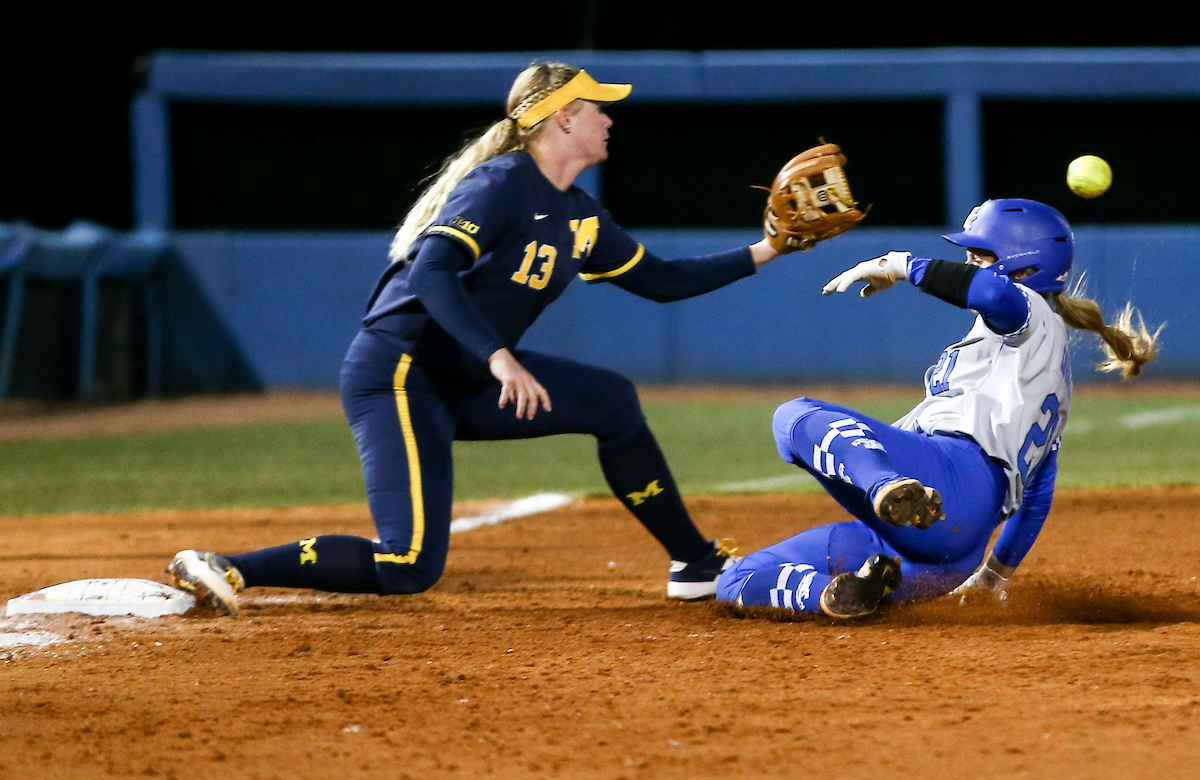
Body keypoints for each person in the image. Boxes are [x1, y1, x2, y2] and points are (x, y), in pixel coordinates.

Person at [167, 62, 789, 615]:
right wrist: (499, 357)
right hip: (401, 372)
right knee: (410, 563)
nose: (608, 118)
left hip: (462, 375)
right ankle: (230, 565)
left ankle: (695, 563)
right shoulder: (501, 184)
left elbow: (664, 280)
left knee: (612, 403)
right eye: (598, 107)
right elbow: (431, 270)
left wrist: (772, 248)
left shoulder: (578, 215)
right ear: (563, 118)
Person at [716, 198, 1161, 619]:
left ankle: (887, 486)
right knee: (736, 580)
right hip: (947, 558)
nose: (968, 262)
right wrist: (991, 577)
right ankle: (841, 594)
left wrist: (899, 264)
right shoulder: (1042, 376)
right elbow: (1037, 497)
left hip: (952, 479)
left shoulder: (1031, 314)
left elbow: (990, 293)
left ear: (1025, 266)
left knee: (793, 417)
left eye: (981, 253)